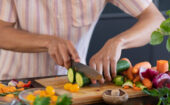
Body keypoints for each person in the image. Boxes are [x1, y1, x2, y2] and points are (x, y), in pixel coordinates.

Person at [0, 0, 164, 83]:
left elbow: (156, 20)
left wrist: (119, 42)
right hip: (16, 83)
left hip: (72, 85)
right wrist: (47, 42)